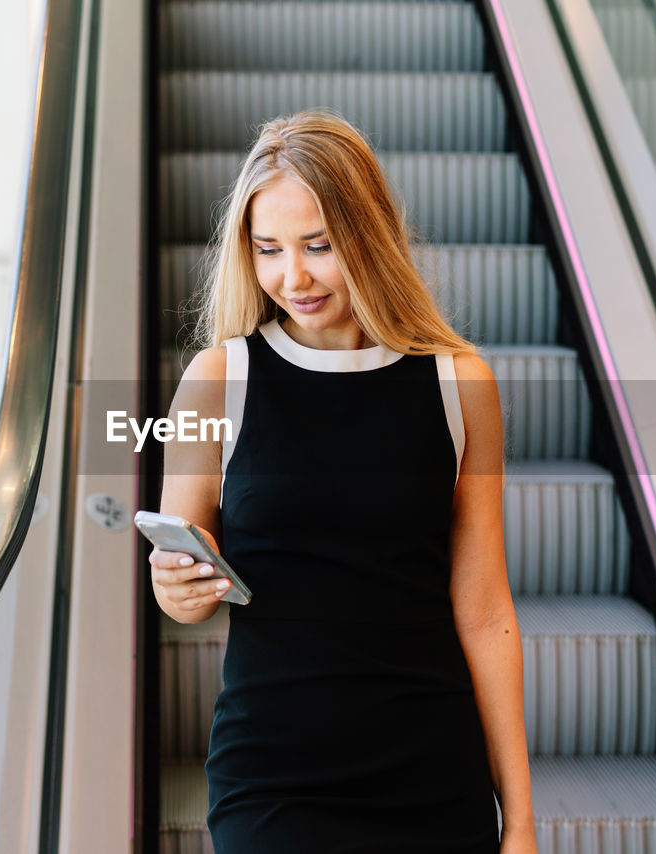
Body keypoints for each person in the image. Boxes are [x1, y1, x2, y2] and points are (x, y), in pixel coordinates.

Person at [148, 110, 536, 853]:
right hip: (274, 776)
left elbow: (485, 607)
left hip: (430, 767)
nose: (292, 276)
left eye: (318, 246)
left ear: (371, 233)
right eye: (268, 250)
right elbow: (182, 575)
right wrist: (177, 586)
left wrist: (518, 823)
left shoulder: (460, 384)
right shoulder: (218, 379)